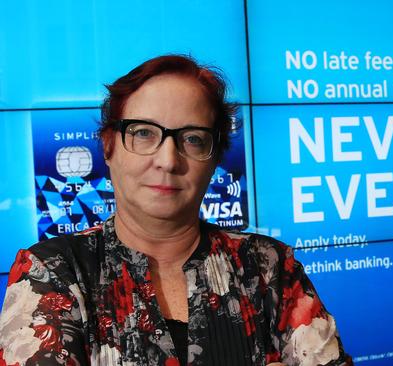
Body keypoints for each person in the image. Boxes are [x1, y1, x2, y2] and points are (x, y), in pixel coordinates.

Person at [0, 55, 351, 366]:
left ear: (215, 159)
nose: (168, 160)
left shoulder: (269, 266)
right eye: (143, 133)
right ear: (108, 148)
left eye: (193, 138)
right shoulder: (52, 272)